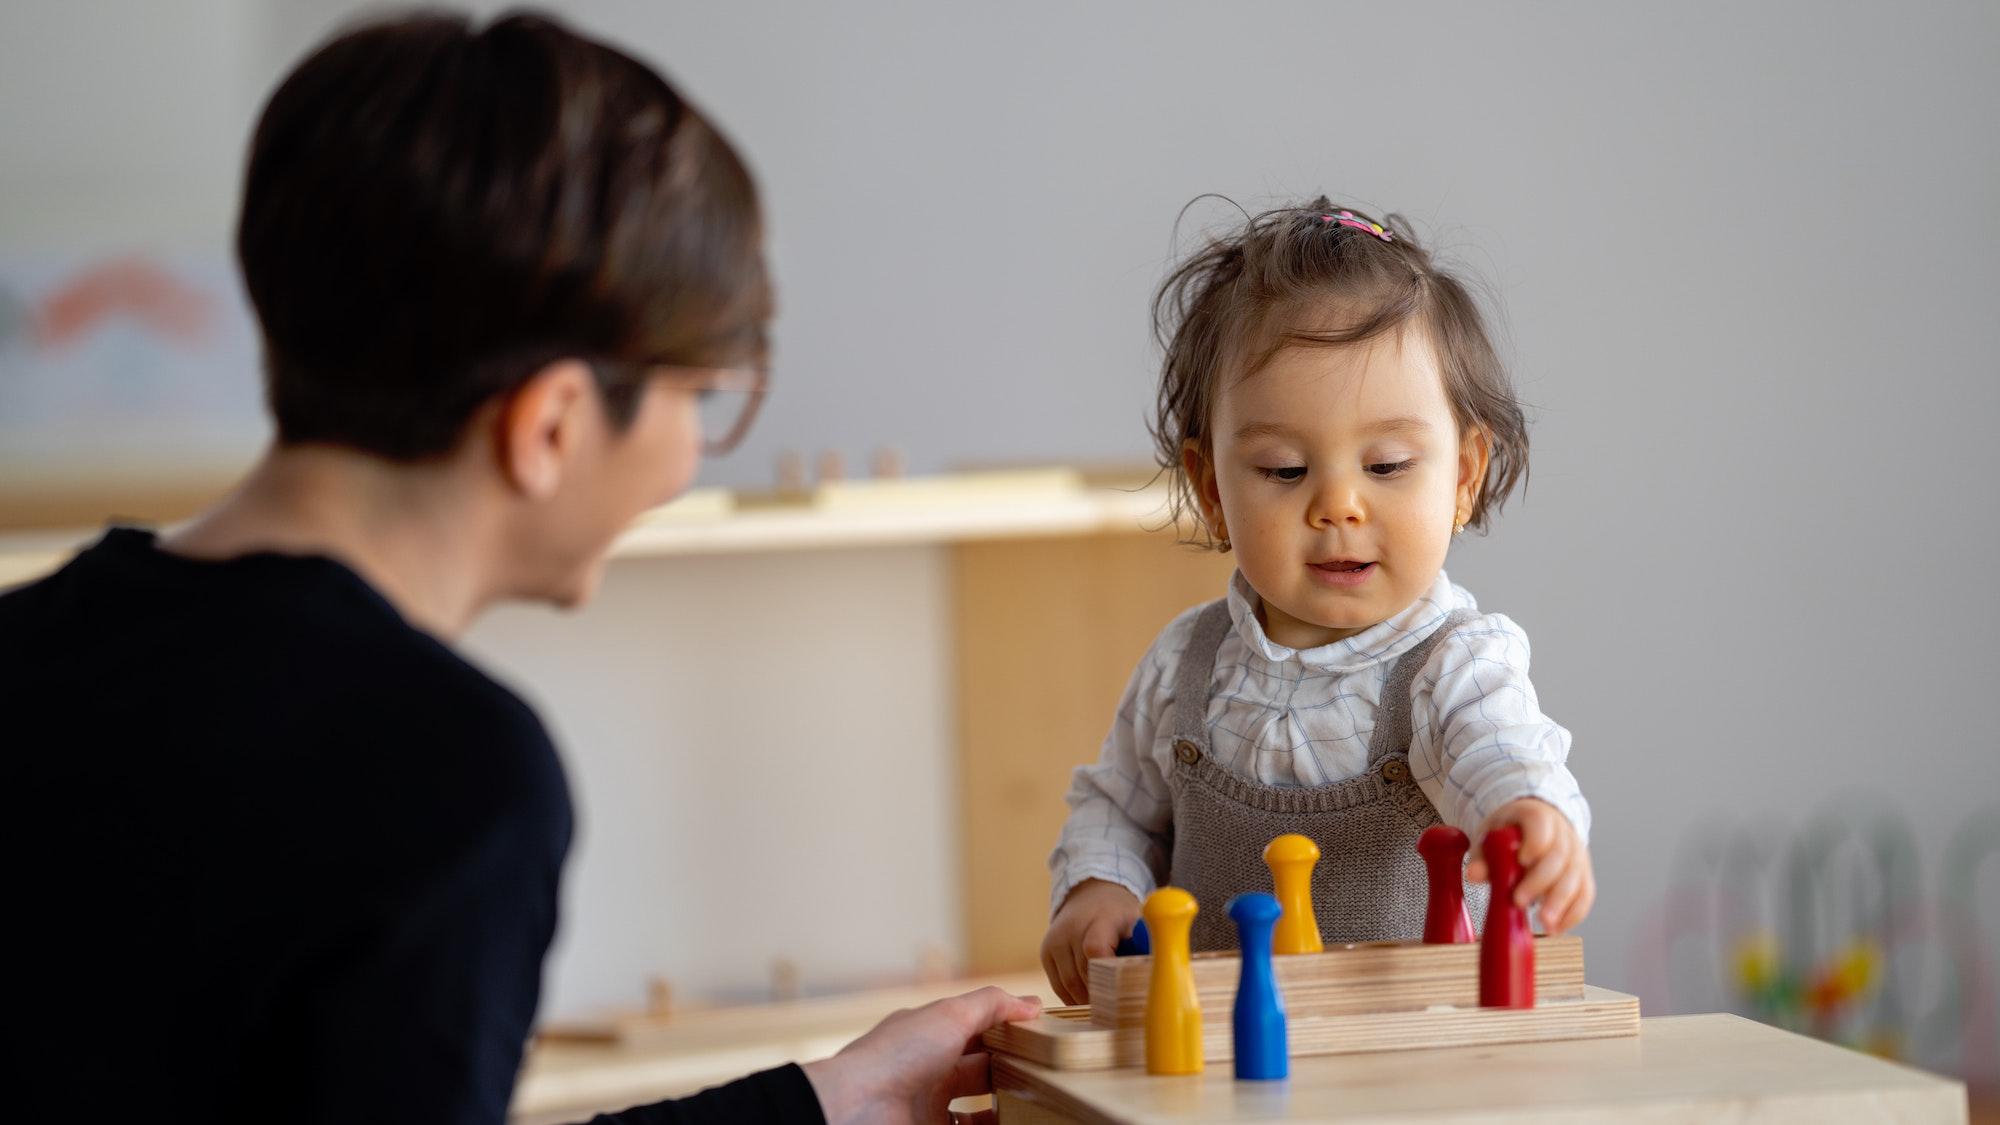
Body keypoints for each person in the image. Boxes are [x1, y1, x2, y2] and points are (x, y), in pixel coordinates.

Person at [3, 10, 1035, 1123]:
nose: (687, 459)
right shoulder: (445, 772)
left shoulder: (27, 649)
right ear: (548, 425)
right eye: (700, 401)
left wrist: (827, 1101)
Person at [1038, 200, 1596, 1003]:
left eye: (1389, 464)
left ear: (1464, 476)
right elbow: (1118, 807)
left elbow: (1497, 748)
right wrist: (1099, 885)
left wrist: (1526, 812)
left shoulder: (1455, 664)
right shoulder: (1183, 668)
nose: (1338, 506)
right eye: (1284, 470)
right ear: (1211, 489)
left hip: (1415, 1052)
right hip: (1223, 1054)